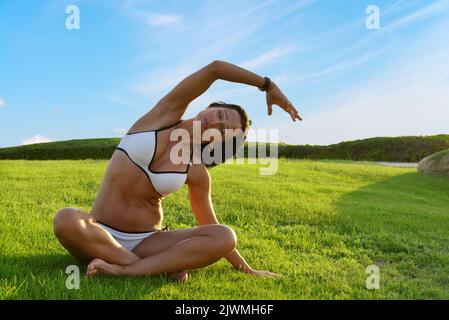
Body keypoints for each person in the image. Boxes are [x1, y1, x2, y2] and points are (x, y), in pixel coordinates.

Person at [53, 60, 302, 282]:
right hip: (99, 231)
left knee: (225, 235)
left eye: (223, 128)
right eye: (219, 114)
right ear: (209, 107)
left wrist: (247, 269)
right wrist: (267, 85)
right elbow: (215, 69)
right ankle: (151, 268)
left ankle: (124, 269)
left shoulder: (196, 169)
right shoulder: (162, 116)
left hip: (147, 241)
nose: (214, 122)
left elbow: (210, 226)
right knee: (65, 219)